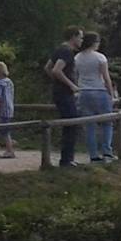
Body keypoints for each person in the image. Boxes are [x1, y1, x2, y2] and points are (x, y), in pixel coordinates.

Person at [74, 31, 119, 162]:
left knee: (90, 125)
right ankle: (107, 151)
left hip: (84, 92)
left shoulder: (77, 58)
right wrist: (111, 93)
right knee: (107, 122)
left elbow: (76, 75)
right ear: (94, 43)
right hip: (99, 91)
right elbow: (106, 77)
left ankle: (93, 154)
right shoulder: (100, 57)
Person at [45, 27, 83, 167]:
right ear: (73, 37)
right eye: (80, 37)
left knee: (70, 122)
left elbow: (48, 68)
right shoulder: (67, 52)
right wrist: (71, 85)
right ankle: (66, 159)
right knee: (71, 123)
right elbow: (56, 70)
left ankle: (67, 158)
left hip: (59, 91)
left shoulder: (59, 49)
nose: (81, 40)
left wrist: (57, 81)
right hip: (64, 93)